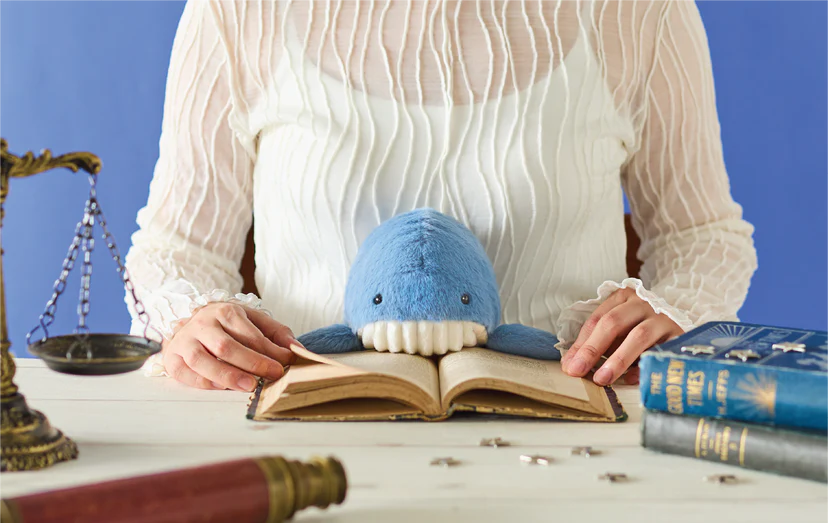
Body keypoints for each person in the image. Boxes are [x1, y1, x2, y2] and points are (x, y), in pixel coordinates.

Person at [124, 0, 758, 393]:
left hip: (570, 433)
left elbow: (702, 236)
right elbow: (176, 248)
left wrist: (677, 307)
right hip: (304, 428)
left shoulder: (641, 11)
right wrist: (191, 317)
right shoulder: (237, 12)